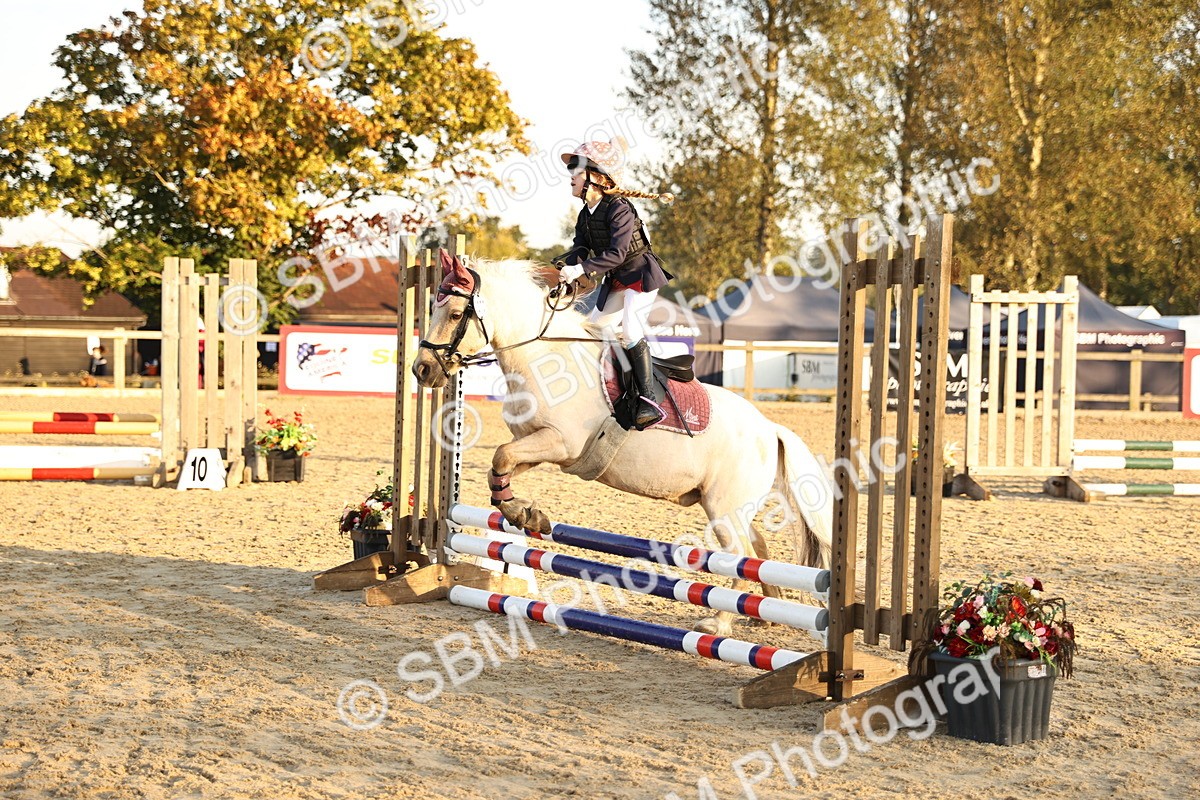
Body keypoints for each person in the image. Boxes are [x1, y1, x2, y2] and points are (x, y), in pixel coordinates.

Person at [556, 137, 675, 429]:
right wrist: (565, 266)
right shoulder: (585, 214)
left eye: (577, 170)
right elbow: (581, 248)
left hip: (642, 276)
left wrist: (582, 269)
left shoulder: (619, 208)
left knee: (631, 331)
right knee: (596, 332)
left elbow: (618, 253)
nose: (571, 176)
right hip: (618, 279)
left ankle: (649, 400)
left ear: (595, 178)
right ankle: (607, 393)